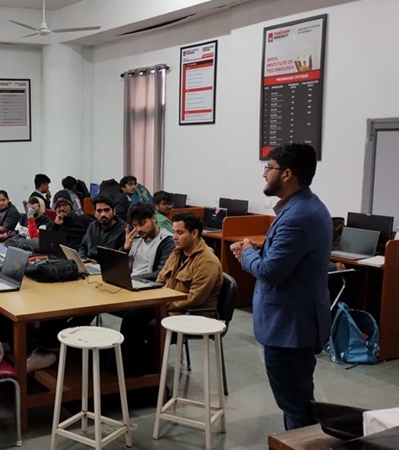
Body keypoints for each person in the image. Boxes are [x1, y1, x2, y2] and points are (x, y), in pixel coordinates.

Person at [230, 143, 332, 431]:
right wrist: (255, 253)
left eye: (269, 168)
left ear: (287, 174)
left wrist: (246, 253)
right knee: (297, 402)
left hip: (290, 329)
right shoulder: (304, 207)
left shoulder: (298, 216)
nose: (264, 174)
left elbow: (270, 271)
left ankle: (301, 445)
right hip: (295, 323)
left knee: (296, 406)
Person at [120, 212, 223, 376]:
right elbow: (160, 280)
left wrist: (162, 305)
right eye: (174, 232)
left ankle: (151, 374)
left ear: (194, 233)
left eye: (179, 233)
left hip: (192, 313)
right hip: (169, 307)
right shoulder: (177, 253)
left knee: (153, 327)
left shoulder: (207, 262)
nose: (174, 237)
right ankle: (127, 367)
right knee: (131, 317)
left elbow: (194, 299)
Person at [122, 202, 174, 281]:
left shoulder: (167, 241)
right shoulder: (134, 238)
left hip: (148, 284)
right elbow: (117, 267)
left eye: (142, 223)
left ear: (153, 218)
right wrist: (125, 249)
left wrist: (131, 278)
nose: (138, 229)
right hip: (130, 280)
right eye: (135, 225)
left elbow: (161, 273)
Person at [78, 194, 126, 261]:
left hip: (110, 265)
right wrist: (83, 259)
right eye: (99, 211)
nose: (103, 214)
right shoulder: (92, 227)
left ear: (114, 211)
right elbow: (83, 246)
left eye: (106, 210)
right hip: (90, 264)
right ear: (94, 213)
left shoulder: (124, 229)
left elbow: (120, 257)